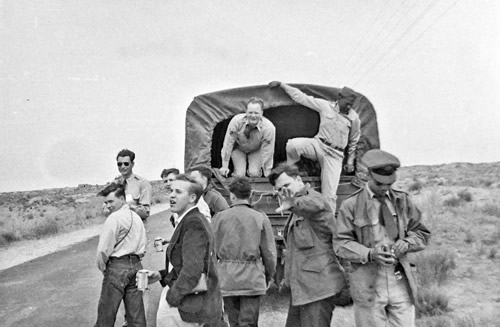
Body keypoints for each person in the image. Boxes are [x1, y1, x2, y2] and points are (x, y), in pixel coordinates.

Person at [334, 149, 431, 327]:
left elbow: (422, 233)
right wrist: (370, 253)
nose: (385, 188)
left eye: (389, 183)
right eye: (380, 183)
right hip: (368, 284)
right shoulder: (351, 205)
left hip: (400, 282)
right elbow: (341, 243)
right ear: (368, 175)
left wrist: (407, 242)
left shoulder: (402, 201)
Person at [268, 163, 347, 327]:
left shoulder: (314, 200)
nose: (284, 191)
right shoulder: (296, 211)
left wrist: (293, 203)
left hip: (319, 288)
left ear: (298, 179)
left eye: (287, 185)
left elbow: (314, 204)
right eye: (280, 189)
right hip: (303, 290)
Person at [268, 81, 361, 212]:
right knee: (292, 145)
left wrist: (350, 161)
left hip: (335, 155)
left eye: (351, 104)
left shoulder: (354, 118)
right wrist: (283, 85)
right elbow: (302, 98)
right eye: (347, 103)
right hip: (319, 144)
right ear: (339, 99)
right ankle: (290, 172)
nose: (349, 106)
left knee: (329, 195)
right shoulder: (325, 106)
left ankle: (328, 224)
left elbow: (354, 141)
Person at [145, 174, 224, 326]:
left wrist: (172, 298)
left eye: (178, 192)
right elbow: (183, 263)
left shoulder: (193, 223)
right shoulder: (189, 220)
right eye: (171, 191)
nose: (172, 195)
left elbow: (192, 270)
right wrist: (161, 275)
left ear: (192, 197)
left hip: (186, 306)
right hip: (187, 302)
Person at [213, 177, 277, 327]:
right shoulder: (260, 217)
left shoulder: (219, 218)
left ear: (232, 196)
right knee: (248, 323)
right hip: (252, 280)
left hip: (227, 279)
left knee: (234, 322)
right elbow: (269, 253)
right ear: (250, 195)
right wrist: (268, 276)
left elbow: (212, 250)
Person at [94, 183, 147, 327]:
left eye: (111, 201)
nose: (108, 205)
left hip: (117, 266)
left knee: (106, 315)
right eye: (106, 202)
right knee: (136, 316)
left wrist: (105, 268)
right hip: (136, 265)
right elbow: (143, 243)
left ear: (122, 199)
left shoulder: (114, 218)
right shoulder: (137, 217)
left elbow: (102, 250)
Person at [220, 97, 276, 178]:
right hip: (239, 149)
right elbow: (228, 143)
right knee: (240, 175)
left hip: (256, 150)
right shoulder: (236, 121)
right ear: (246, 112)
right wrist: (224, 166)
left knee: (254, 173)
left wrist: (267, 173)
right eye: (250, 112)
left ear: (262, 113)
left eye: (256, 113)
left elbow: (268, 151)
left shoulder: (268, 128)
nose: (253, 116)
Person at [113, 149, 152, 221]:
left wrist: (128, 206)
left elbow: (145, 213)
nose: (122, 166)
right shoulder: (114, 184)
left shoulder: (142, 183)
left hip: (136, 227)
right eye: (119, 164)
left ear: (132, 164)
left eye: (126, 164)